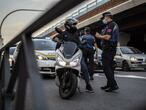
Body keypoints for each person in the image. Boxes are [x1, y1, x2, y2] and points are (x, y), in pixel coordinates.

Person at [54, 18, 94, 93]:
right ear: (68, 25)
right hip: (65, 55)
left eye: (75, 25)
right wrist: (57, 40)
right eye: (73, 24)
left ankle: (88, 85)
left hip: (75, 54)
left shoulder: (76, 34)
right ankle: (59, 77)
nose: (75, 26)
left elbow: (79, 43)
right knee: (58, 64)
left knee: (84, 68)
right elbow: (56, 38)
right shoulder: (64, 33)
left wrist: (82, 44)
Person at [95, 12, 119, 92]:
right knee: (109, 68)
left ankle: (113, 85)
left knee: (106, 67)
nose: (103, 20)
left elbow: (108, 37)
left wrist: (99, 36)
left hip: (109, 49)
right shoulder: (108, 25)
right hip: (108, 49)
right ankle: (110, 84)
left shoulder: (111, 24)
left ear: (107, 17)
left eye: (103, 18)